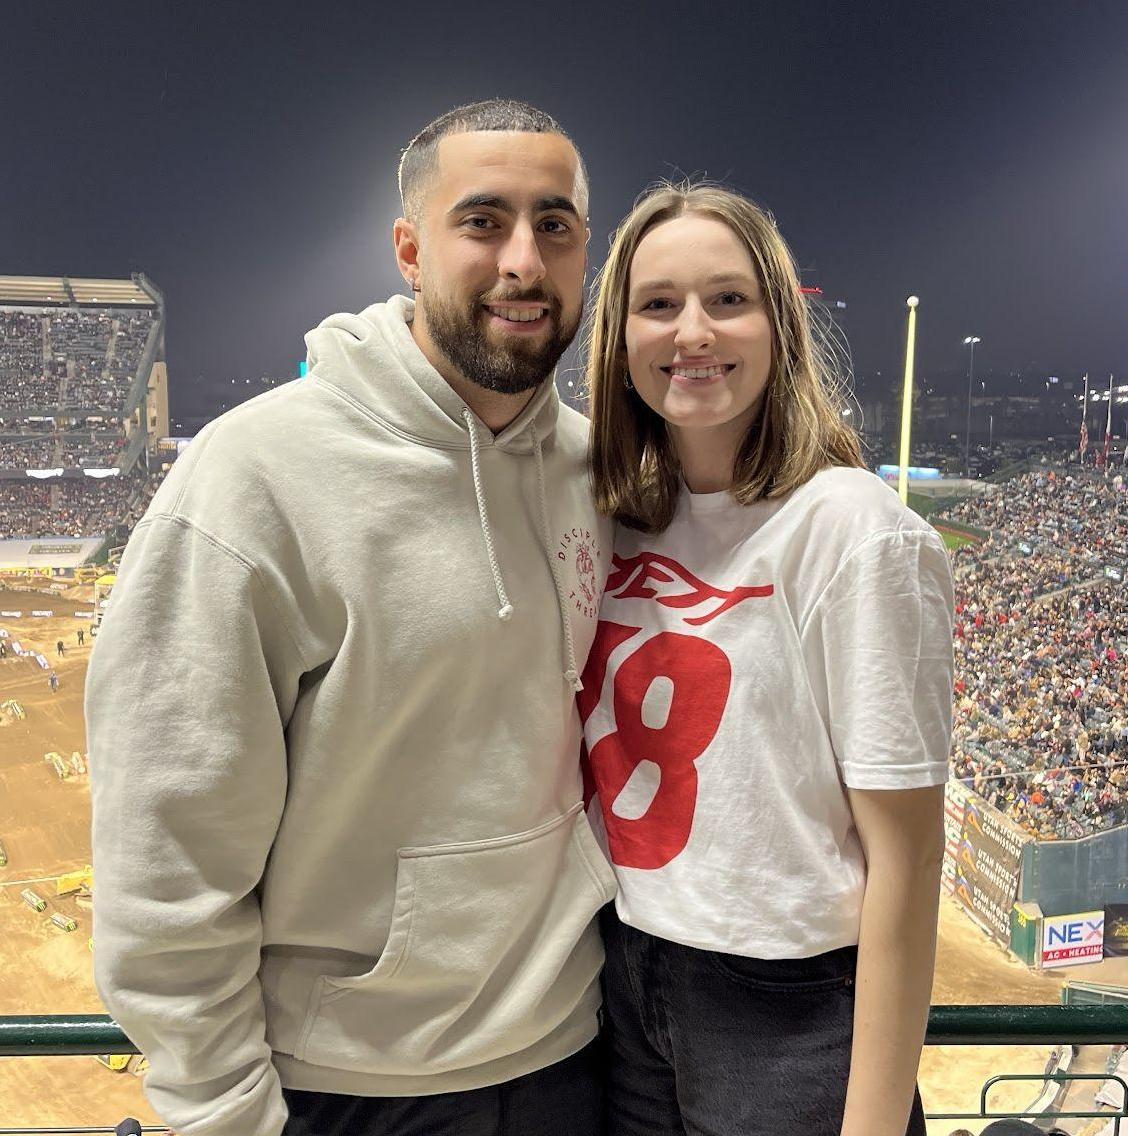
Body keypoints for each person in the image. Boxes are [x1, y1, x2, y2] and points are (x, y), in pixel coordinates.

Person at [86, 99, 614, 1136]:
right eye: (483, 221)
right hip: (346, 1085)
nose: (523, 259)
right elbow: (168, 842)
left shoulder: (593, 469)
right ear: (409, 251)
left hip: (572, 1048)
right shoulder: (254, 475)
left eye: (553, 225)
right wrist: (222, 1109)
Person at [581, 182, 955, 1136]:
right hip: (621, 975)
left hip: (785, 1009)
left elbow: (908, 860)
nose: (692, 331)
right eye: (658, 303)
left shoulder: (854, 529)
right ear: (620, 337)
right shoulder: (616, 520)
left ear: (780, 325)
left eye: (728, 299)